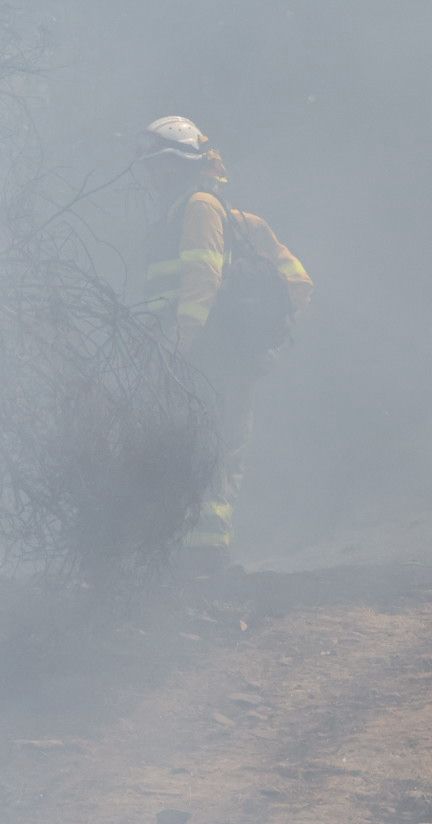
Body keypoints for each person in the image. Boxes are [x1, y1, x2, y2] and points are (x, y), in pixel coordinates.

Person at [136, 116, 312, 569]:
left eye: (155, 165)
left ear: (175, 165)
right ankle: (190, 554)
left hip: (204, 356)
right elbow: (299, 282)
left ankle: (205, 559)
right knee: (207, 448)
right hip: (216, 355)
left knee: (211, 450)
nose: (150, 176)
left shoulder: (198, 207)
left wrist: (182, 345)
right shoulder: (218, 215)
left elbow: (201, 280)